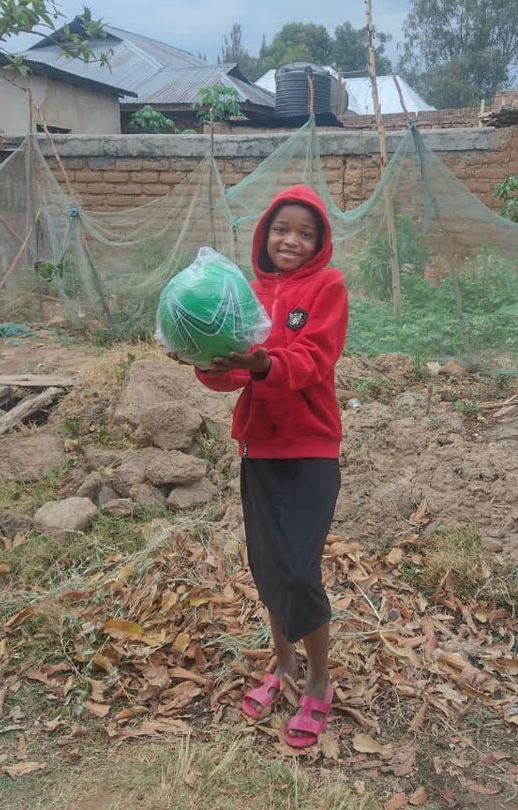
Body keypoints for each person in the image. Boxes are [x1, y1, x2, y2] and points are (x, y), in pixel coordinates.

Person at [188, 184, 348, 749]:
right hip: (258, 448)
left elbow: (314, 359)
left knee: (300, 572)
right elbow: (233, 374)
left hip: (311, 449)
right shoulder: (246, 294)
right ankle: (283, 665)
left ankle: (319, 681)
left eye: (305, 233)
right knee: (268, 569)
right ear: (264, 235)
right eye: (282, 229)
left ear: (319, 242)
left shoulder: (327, 286)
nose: (291, 240)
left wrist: (263, 364)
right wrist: (204, 361)